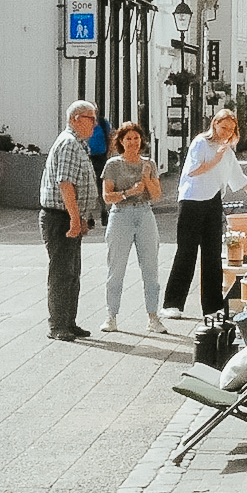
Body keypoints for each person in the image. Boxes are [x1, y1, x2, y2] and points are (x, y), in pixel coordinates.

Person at [163, 107, 247, 321]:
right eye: (223, 127)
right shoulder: (201, 142)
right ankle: (172, 303)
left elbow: (239, 179)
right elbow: (193, 170)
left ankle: (213, 306)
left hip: (212, 200)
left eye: (231, 129)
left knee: (212, 254)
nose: (226, 132)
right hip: (192, 200)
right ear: (214, 124)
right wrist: (215, 159)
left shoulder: (228, 149)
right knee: (186, 252)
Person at [39, 102, 99, 342]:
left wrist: (82, 217)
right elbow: (66, 184)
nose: (95, 123)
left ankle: (68, 321)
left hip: (69, 216)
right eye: (90, 118)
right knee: (61, 273)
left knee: (72, 273)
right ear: (75, 118)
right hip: (60, 217)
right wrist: (75, 218)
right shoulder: (69, 143)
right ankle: (57, 325)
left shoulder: (79, 144)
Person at [101, 122, 168, 335]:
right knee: (116, 268)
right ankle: (111, 316)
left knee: (151, 267)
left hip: (144, 213)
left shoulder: (149, 163)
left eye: (136, 139)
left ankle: (153, 317)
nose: (133, 143)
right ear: (121, 141)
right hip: (120, 214)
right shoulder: (113, 164)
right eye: (128, 139)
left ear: (142, 141)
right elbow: (106, 196)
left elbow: (156, 195)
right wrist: (128, 192)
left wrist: (147, 178)